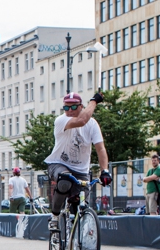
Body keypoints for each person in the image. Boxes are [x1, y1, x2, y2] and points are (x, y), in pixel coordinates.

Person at [45, 92, 112, 232]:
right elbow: (81, 121)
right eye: (66, 107)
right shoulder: (61, 120)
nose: (69, 111)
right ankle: (55, 217)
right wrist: (94, 101)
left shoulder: (92, 125)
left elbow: (100, 149)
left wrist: (104, 171)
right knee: (64, 181)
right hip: (59, 163)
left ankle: (79, 238)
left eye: (73, 107)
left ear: (81, 106)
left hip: (81, 170)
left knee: (80, 205)